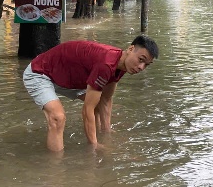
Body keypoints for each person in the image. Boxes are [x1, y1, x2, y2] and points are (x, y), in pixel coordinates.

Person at [23, 35, 159, 152]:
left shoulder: (122, 64)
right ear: (130, 49)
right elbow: (87, 110)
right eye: (141, 60)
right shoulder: (106, 64)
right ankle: (55, 169)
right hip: (40, 73)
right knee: (58, 118)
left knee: (98, 102)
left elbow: (105, 100)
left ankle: (97, 138)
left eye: (147, 64)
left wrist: (107, 132)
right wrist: (94, 146)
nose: (141, 67)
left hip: (64, 77)